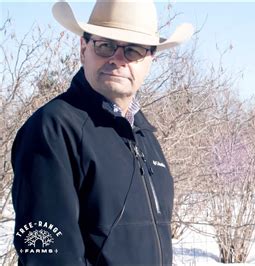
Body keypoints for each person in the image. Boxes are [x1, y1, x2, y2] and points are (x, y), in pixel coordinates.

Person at [11, 0, 193, 264]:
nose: (117, 59)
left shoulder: (145, 135)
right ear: (84, 48)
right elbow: (49, 254)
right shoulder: (54, 128)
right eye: (105, 45)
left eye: (133, 51)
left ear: (150, 59)